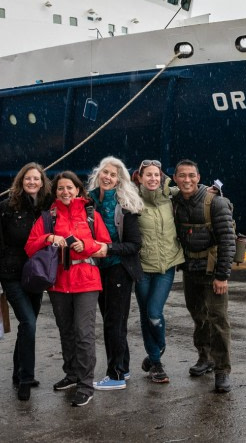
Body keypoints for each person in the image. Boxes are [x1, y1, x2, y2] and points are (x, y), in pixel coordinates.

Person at [25, 170, 110, 407]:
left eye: (69, 188)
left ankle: (85, 384)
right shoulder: (47, 217)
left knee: (84, 333)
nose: (65, 192)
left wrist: (86, 245)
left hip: (86, 279)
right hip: (58, 281)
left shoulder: (91, 214)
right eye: (61, 188)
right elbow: (29, 247)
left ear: (78, 190)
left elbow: (106, 246)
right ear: (55, 192)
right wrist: (48, 238)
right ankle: (71, 374)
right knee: (66, 331)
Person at [172, 159, 236, 394]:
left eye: (191, 175)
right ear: (175, 179)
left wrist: (222, 276)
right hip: (190, 270)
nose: (187, 180)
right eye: (182, 176)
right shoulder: (175, 202)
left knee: (218, 320)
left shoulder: (215, 203)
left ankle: (222, 370)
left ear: (198, 177)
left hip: (212, 272)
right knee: (198, 316)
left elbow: (227, 241)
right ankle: (205, 357)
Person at [86, 156, 143, 391]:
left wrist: (108, 248)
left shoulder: (125, 204)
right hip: (98, 269)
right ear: (98, 174)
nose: (107, 177)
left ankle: (116, 375)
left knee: (114, 323)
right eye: (105, 172)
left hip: (119, 267)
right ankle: (124, 367)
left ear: (119, 180)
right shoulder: (88, 202)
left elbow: (134, 244)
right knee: (113, 321)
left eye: (113, 175)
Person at [0, 162, 52, 401]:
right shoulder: (6, 207)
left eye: (37, 179)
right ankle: (26, 378)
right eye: (28, 178)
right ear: (21, 181)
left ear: (42, 182)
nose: (32, 182)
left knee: (27, 324)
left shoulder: (47, 207)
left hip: (37, 274)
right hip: (12, 273)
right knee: (28, 322)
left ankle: (17, 372)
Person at [133, 159, 184, 384]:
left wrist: (212, 190)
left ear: (162, 177)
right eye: (148, 175)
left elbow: (192, 189)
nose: (153, 179)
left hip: (166, 266)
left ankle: (159, 347)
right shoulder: (132, 201)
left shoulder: (171, 196)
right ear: (140, 178)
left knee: (154, 312)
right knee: (146, 315)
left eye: (156, 175)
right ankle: (156, 362)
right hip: (142, 267)